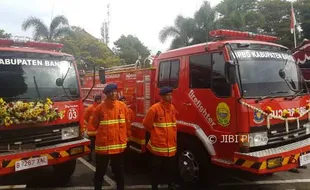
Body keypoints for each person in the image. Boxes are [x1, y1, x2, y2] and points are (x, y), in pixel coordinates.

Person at [92, 83, 130, 190]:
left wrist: (128, 136)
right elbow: (94, 124)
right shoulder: (99, 108)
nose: (113, 94)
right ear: (106, 94)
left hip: (118, 147)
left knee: (119, 172)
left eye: (115, 91)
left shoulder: (123, 107)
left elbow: (127, 123)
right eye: (110, 92)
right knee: (100, 171)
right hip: (104, 147)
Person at [143, 86, 178, 190]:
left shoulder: (172, 108)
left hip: (170, 146)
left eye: (171, 95)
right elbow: (146, 124)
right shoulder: (154, 108)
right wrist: (156, 133)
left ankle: (170, 184)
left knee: (170, 169)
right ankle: (155, 186)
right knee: (156, 169)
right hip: (158, 146)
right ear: (162, 96)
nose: (170, 97)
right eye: (168, 95)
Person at [84, 95, 102, 161]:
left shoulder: (100, 107)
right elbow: (85, 119)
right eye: (97, 99)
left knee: (96, 145)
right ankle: (90, 156)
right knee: (92, 145)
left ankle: (94, 157)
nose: (98, 100)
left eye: (99, 99)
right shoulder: (90, 108)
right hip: (92, 131)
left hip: (98, 131)